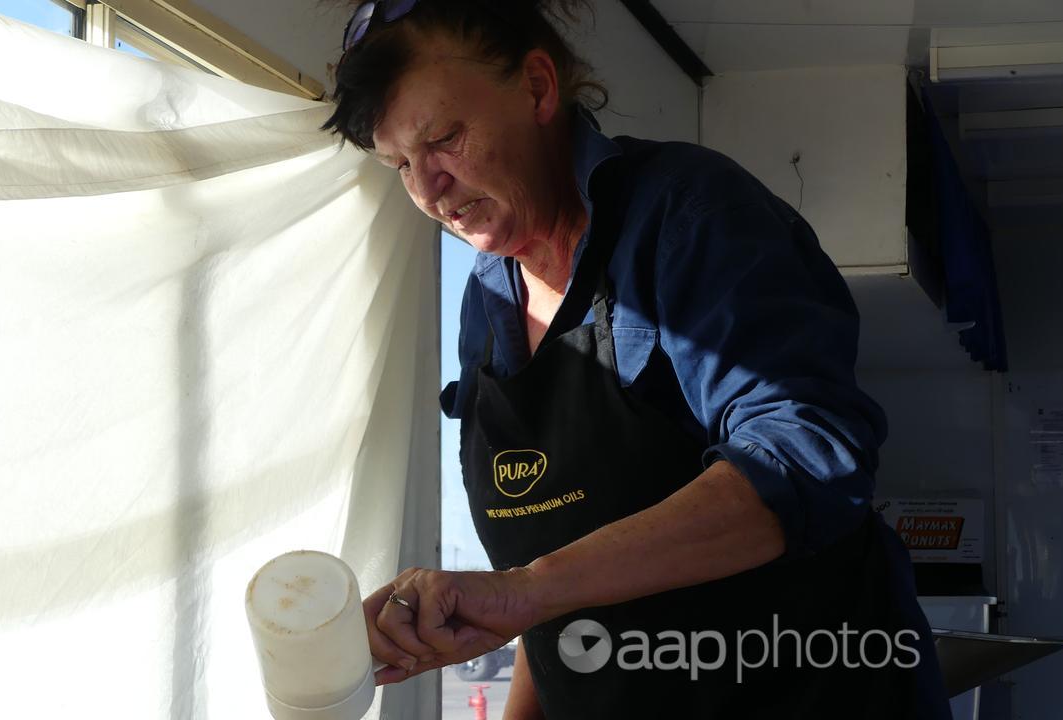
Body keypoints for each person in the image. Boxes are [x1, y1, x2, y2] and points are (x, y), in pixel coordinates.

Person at [323, 1, 951, 717]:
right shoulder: (486, 307)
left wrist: (526, 589)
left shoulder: (686, 216)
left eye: (444, 138)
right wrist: (517, 597)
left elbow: (808, 458)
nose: (427, 190)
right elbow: (544, 603)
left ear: (537, 88)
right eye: (399, 163)